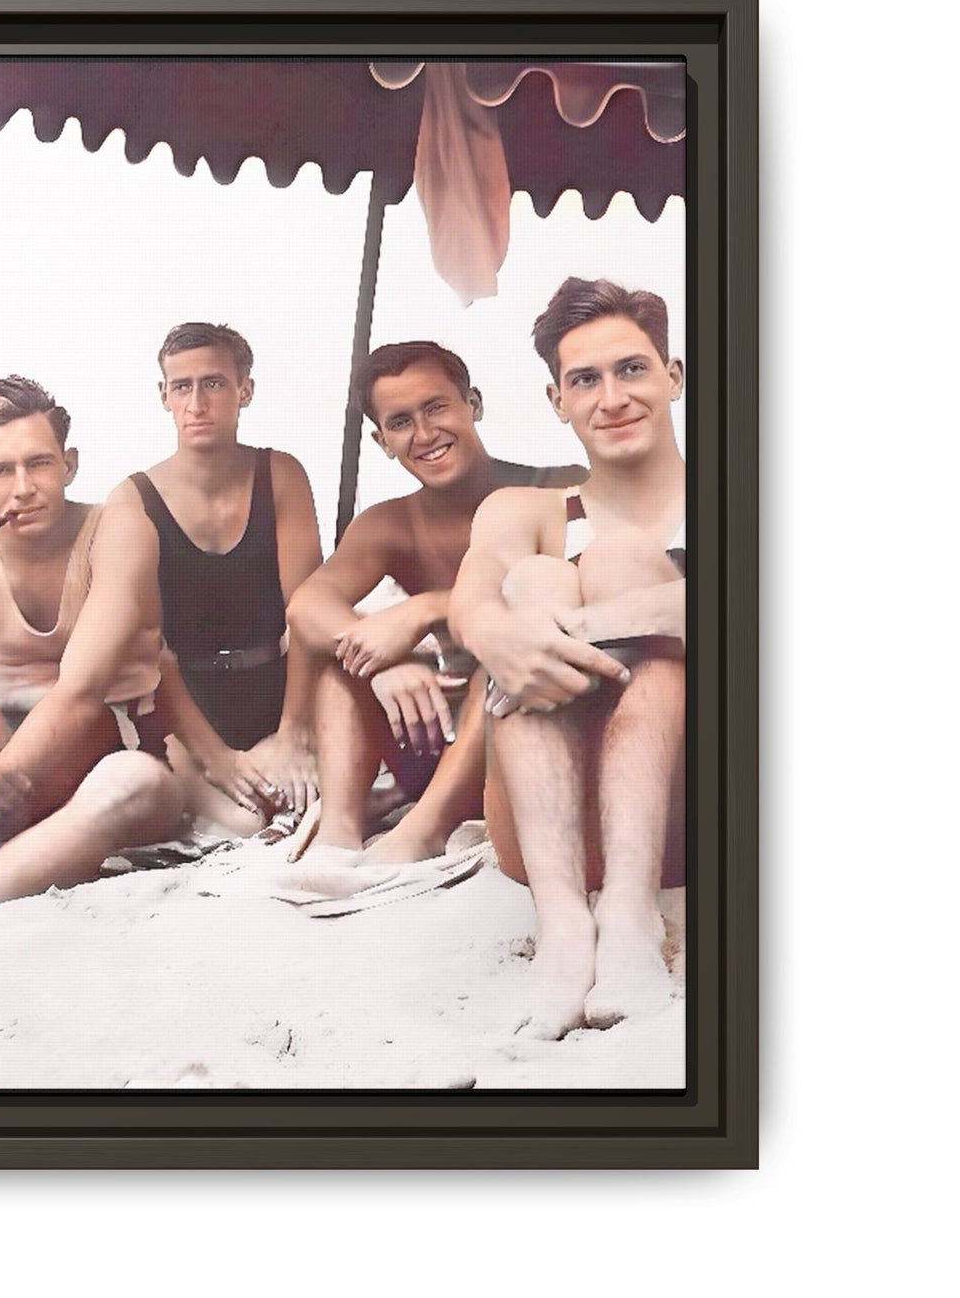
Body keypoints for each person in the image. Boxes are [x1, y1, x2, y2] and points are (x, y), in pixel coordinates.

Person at [449, 278, 686, 1040]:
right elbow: (471, 605)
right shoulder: (522, 509)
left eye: (631, 369)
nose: (611, 396)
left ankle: (627, 913)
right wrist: (508, 631)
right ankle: (564, 927)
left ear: (672, 376)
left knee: (615, 562)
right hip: (544, 823)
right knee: (532, 578)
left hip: (688, 811)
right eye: (584, 379)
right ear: (557, 400)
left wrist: (584, 625)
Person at [0, 375, 199, 919]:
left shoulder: (115, 528)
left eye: (39, 463)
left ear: (68, 463)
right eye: (0, 470)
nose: (23, 487)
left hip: (98, 776)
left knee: (134, 779)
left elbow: (80, 692)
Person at [286, 340, 584, 860]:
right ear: (381, 440)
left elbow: (585, 593)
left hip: (527, 722)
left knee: (491, 666)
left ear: (474, 403)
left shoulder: (557, 489)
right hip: (427, 730)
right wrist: (385, 666)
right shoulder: (390, 522)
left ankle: (423, 833)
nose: (424, 435)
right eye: (401, 422)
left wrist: (424, 607)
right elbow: (307, 606)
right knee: (344, 666)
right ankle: (339, 833)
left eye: (436, 407)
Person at [108, 322, 324, 823]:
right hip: (186, 704)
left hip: (277, 686)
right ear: (163, 395)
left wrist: (293, 732)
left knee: (305, 802)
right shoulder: (132, 498)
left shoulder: (280, 474)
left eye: (214, 384)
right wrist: (215, 758)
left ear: (244, 389)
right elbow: (146, 644)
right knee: (244, 826)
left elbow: (308, 612)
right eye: (182, 387)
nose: (197, 403)